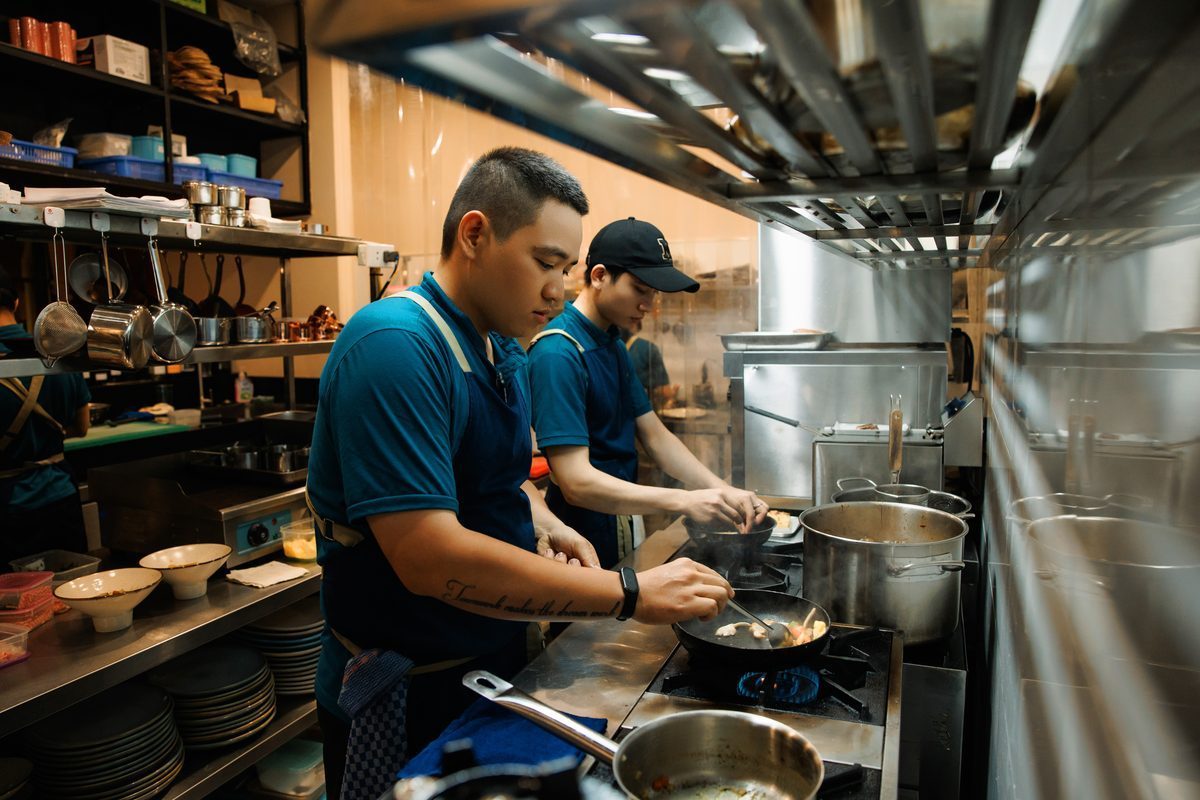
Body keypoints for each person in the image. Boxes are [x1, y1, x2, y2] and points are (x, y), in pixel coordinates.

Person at [305, 149, 732, 799]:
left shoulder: (499, 348)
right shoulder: (395, 344)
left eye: (565, 268)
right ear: (474, 235)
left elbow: (490, 475)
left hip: (488, 666)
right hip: (411, 690)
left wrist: (543, 518)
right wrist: (629, 594)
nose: (559, 291)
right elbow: (428, 555)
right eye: (545, 263)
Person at [527, 217, 768, 569]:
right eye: (640, 289)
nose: (649, 304)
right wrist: (683, 500)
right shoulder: (558, 352)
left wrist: (722, 490)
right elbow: (575, 481)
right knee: (590, 626)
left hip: (623, 517)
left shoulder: (612, 344)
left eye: (654, 293)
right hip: (580, 534)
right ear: (598, 276)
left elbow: (655, 436)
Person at [0, 269, 91, 567]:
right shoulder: (57, 349)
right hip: (61, 496)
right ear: (15, 304)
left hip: (9, 508)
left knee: (23, 606)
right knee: (75, 590)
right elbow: (82, 426)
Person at [620, 319, 676, 410]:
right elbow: (665, 391)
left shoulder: (608, 348)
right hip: (641, 412)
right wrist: (672, 395)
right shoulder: (648, 348)